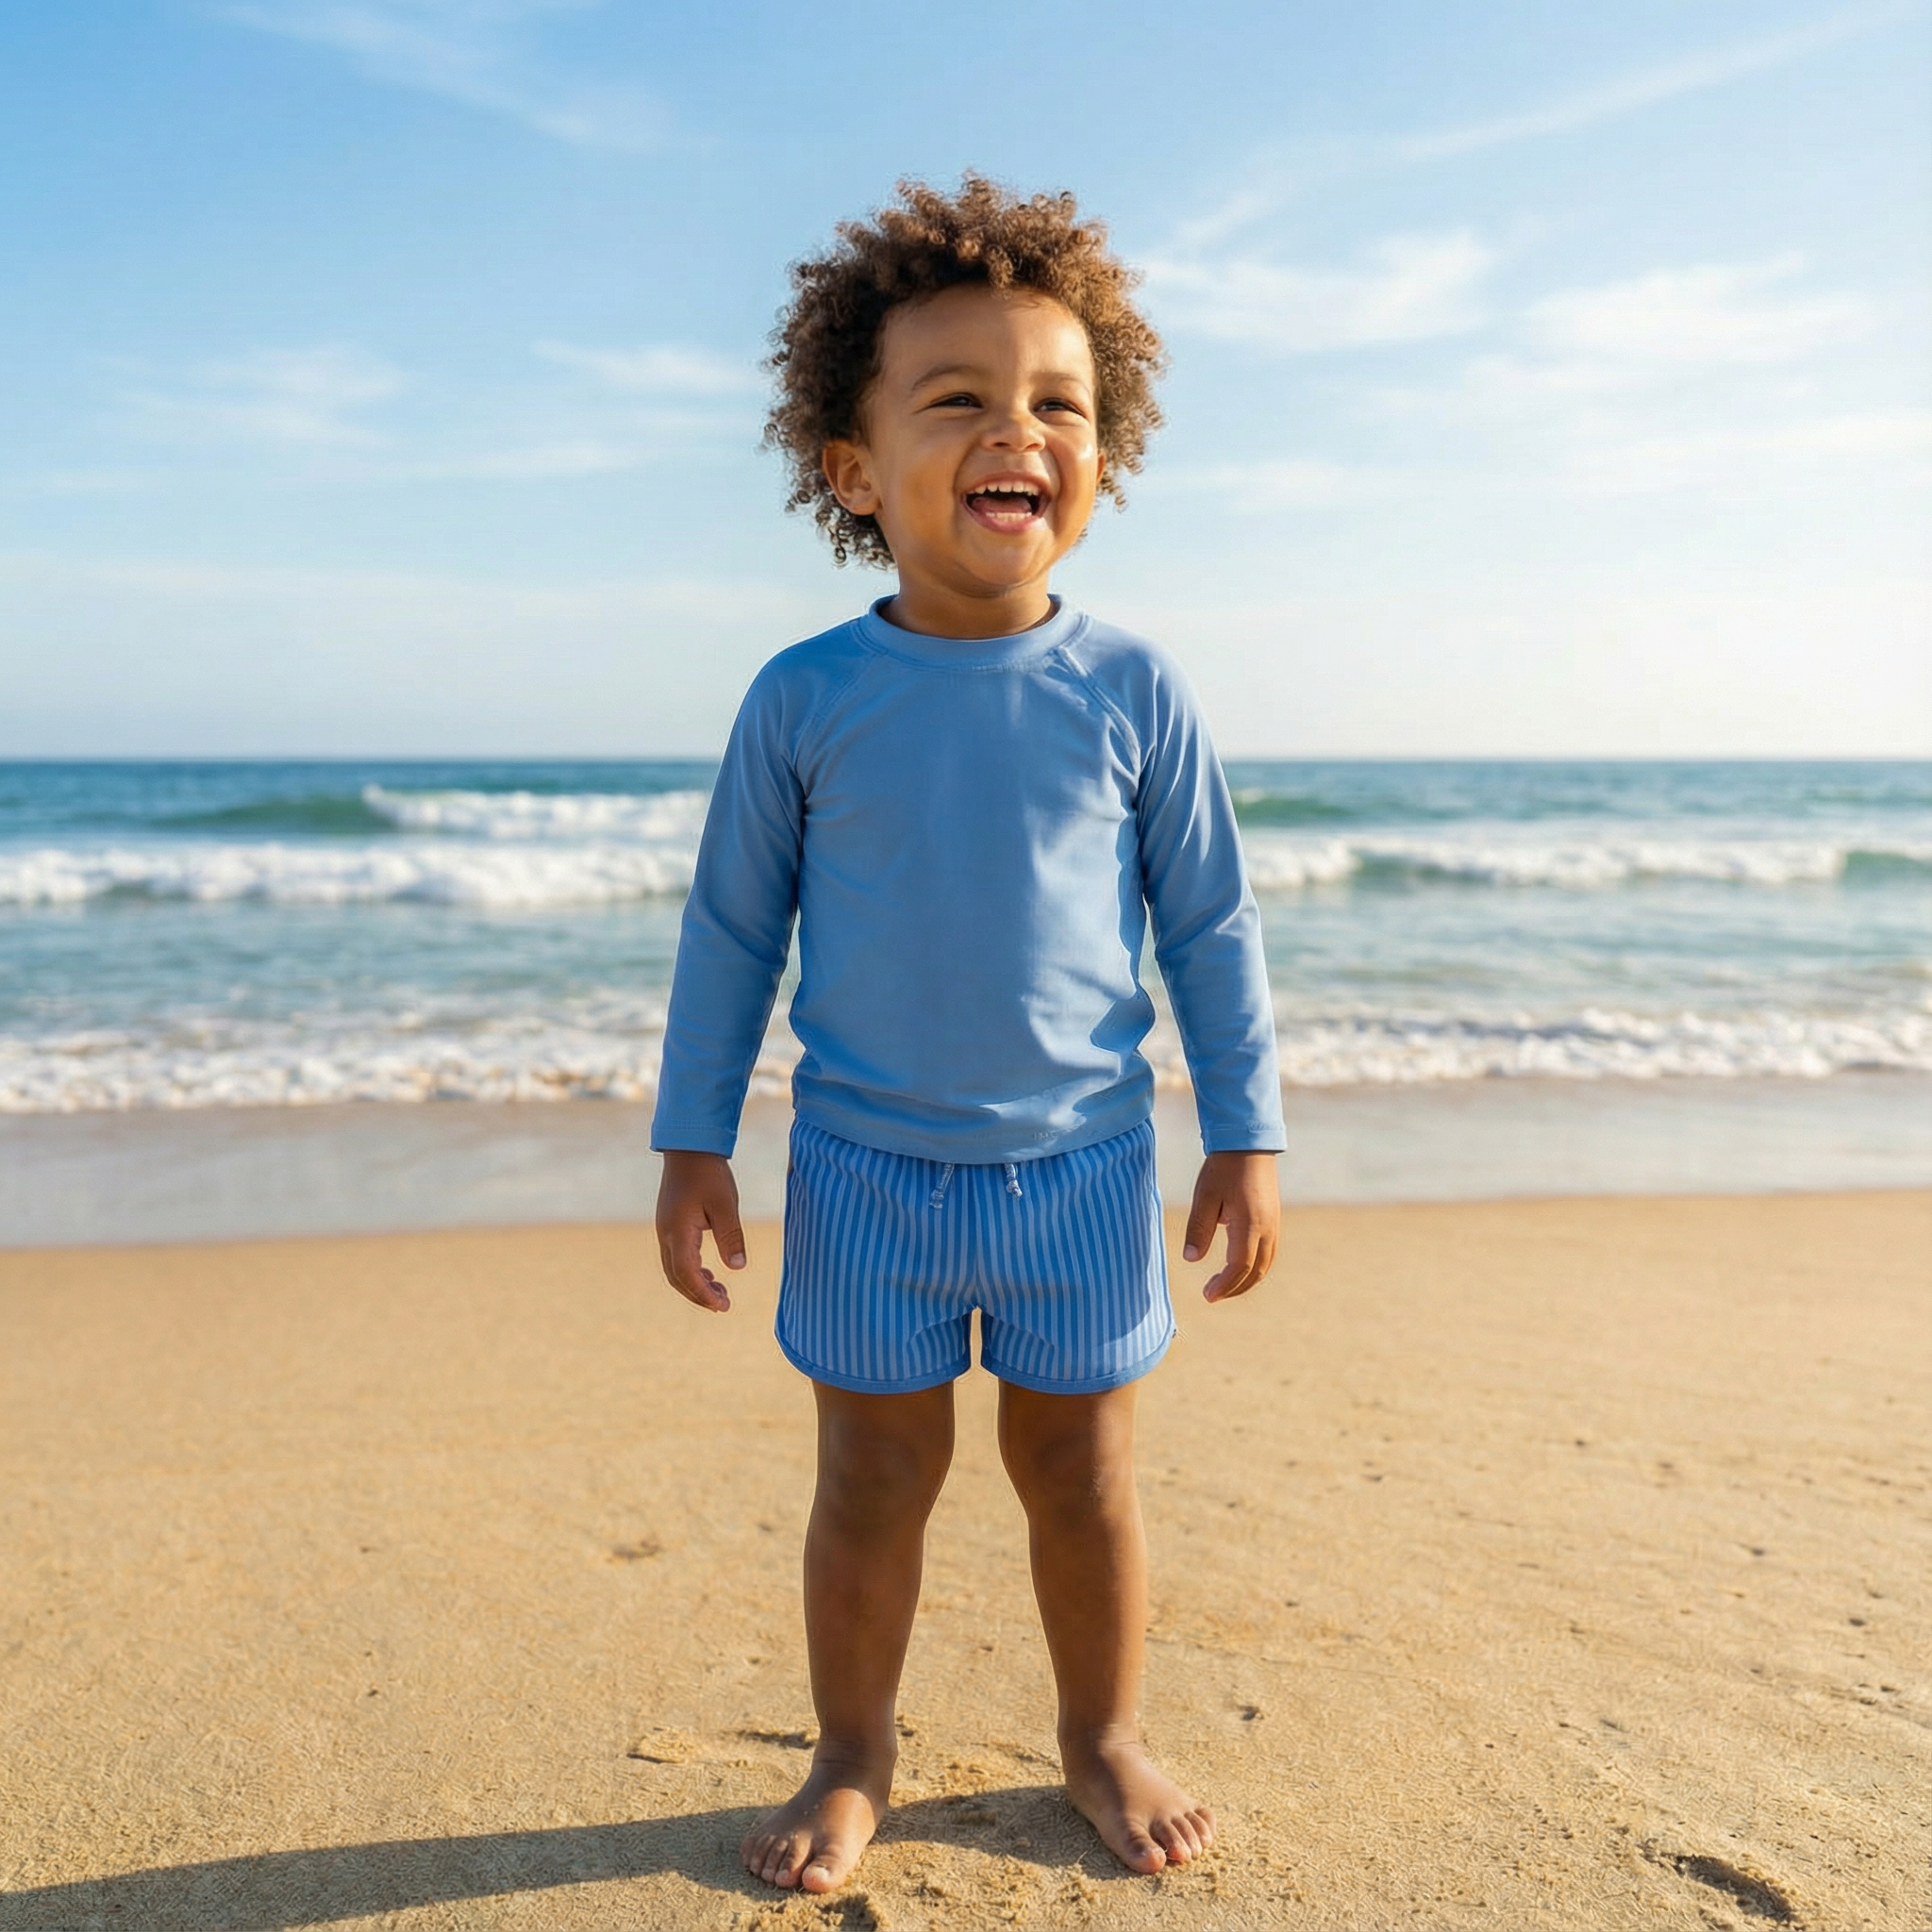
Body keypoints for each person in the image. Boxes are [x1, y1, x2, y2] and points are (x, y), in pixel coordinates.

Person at [651, 175, 1284, 1895]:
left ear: (1102, 458)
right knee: (871, 1474)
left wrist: (1247, 1130)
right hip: (864, 1166)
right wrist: (692, 1138)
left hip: (1082, 1163)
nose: (1021, 431)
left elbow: (1210, 925)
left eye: (1060, 405)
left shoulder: (1134, 689)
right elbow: (733, 934)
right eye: (961, 400)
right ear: (853, 471)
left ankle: (1099, 1738)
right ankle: (853, 1750)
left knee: (1082, 1476)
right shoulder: (804, 698)